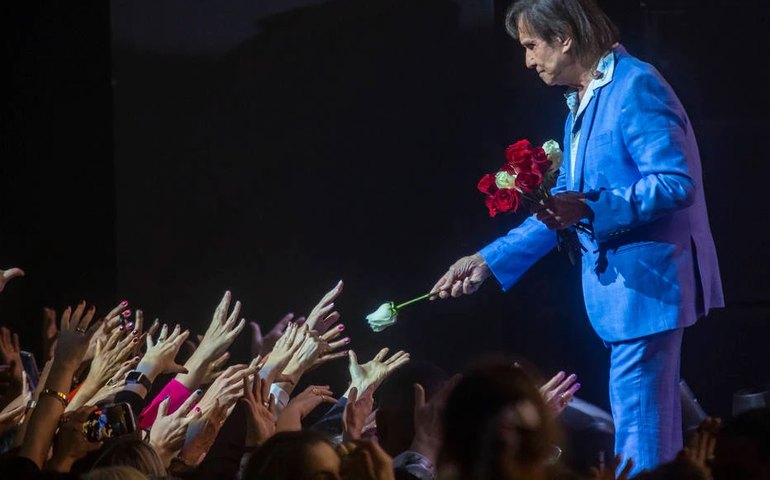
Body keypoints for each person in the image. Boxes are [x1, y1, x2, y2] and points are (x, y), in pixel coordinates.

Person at [431, 0, 723, 474]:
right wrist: (487, 259)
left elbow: (676, 182)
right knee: (649, 429)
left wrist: (591, 206)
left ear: (564, 37)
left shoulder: (635, 84)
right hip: (629, 296)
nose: (527, 61)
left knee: (640, 432)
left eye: (531, 46)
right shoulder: (583, 103)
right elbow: (560, 207)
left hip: (647, 289)